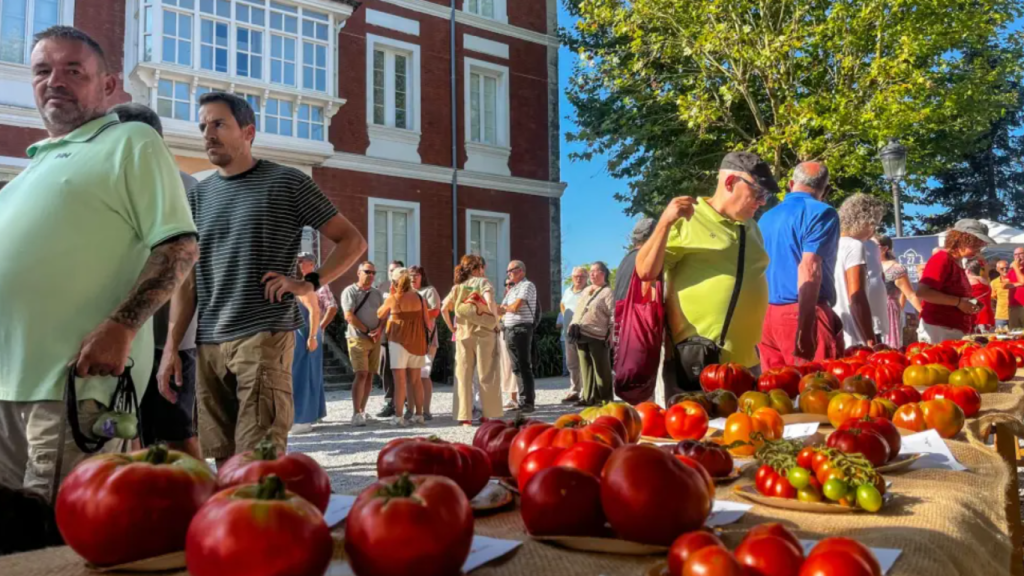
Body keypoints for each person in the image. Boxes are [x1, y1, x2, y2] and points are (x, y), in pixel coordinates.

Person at [0, 26, 198, 494]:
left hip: (74, 384)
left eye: (73, 70)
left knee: (59, 538)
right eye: (43, 71)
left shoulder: (130, 140)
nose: (55, 80)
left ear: (108, 85)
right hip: (7, 385)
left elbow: (179, 246)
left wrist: (123, 327)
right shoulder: (33, 169)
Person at [159, 91, 365, 465]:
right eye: (203, 126)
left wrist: (310, 283)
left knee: (258, 460)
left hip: (264, 335)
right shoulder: (199, 197)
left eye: (219, 124)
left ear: (248, 131)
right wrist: (172, 348)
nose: (208, 134)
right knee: (222, 460)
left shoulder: (287, 182)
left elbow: (353, 241)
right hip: (209, 342)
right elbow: (186, 280)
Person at [636, 151, 774, 394]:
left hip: (748, 364)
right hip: (698, 362)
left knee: (750, 431)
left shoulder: (752, 227)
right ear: (731, 182)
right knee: (697, 432)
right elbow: (645, 271)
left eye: (767, 195)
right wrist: (665, 222)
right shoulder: (688, 217)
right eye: (759, 193)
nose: (763, 201)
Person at [109, 102, 203, 460]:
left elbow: (189, 271)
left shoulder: (186, 187)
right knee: (127, 432)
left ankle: (199, 506)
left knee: (176, 434)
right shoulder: (116, 182)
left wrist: (174, 347)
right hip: (127, 334)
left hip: (169, 338)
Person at [757, 162, 843, 368]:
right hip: (802, 311)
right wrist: (805, 328)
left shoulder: (765, 218)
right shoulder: (822, 213)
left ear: (790, 184)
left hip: (765, 316)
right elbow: (809, 268)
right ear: (826, 189)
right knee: (819, 390)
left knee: (775, 393)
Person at [442, 255, 503, 425]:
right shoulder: (483, 283)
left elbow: (443, 308)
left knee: (463, 375)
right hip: (483, 333)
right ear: (478, 269)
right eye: (483, 268)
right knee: (487, 374)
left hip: (463, 335)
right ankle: (489, 414)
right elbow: (490, 302)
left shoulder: (457, 287)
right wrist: (496, 322)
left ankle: (464, 416)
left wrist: (451, 328)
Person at [915, 220, 993, 342]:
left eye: (981, 245)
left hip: (950, 328)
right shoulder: (942, 259)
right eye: (975, 245)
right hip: (938, 328)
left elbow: (953, 293)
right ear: (961, 239)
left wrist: (972, 302)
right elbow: (923, 292)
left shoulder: (956, 261)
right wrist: (959, 303)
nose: (978, 250)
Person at [832, 194, 886, 348]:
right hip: (854, 331)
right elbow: (856, 295)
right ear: (868, 223)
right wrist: (870, 337)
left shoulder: (830, 243)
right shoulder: (854, 246)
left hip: (834, 326)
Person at [290, 252, 336, 435]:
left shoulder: (304, 288)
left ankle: (303, 418)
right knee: (302, 375)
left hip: (306, 335)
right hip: (299, 334)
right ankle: (308, 415)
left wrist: (312, 337)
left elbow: (315, 311)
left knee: (304, 375)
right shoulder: (294, 287)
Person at [377, 268, 428, 425]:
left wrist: (391, 295)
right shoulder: (419, 298)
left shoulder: (394, 298)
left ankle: (399, 417)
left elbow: (380, 314)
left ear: (394, 282)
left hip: (398, 341)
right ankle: (419, 414)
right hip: (418, 341)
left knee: (399, 381)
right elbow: (427, 320)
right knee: (416, 380)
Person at [341, 262, 384, 426]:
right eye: (367, 271)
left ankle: (363, 411)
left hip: (375, 338)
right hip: (358, 338)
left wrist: (379, 330)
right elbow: (348, 316)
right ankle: (356, 412)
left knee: (370, 375)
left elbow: (383, 315)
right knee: (361, 373)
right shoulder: (350, 291)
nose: (371, 275)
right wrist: (367, 331)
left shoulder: (377, 293)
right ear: (358, 272)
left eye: (373, 272)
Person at [571, 262, 616, 405]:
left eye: (595, 271)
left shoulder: (607, 292)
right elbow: (578, 309)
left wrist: (611, 333)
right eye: (590, 271)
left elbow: (613, 314)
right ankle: (587, 397)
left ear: (603, 273)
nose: (591, 274)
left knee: (601, 368)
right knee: (585, 367)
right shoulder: (587, 290)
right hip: (580, 333)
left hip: (598, 334)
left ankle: (604, 398)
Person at [501, 260, 539, 413]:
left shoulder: (527, 285)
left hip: (521, 329)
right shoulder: (513, 289)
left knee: (524, 366)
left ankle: (528, 401)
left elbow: (516, 307)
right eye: (507, 271)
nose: (508, 273)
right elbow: (501, 308)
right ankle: (522, 401)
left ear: (521, 270)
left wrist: (505, 308)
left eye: (511, 270)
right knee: (516, 368)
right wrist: (505, 308)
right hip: (509, 330)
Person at [877, 235, 922, 348]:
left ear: (884, 249)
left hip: (888, 310)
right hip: (870, 309)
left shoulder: (895, 268)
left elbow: (910, 294)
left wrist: (924, 313)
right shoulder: (866, 266)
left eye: (873, 246)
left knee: (887, 347)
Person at [376, 260, 406, 418]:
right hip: (385, 334)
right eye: (390, 270)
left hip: (404, 335)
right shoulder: (382, 287)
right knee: (385, 368)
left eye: (395, 270)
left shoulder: (408, 288)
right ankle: (390, 402)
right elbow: (378, 310)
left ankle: (406, 402)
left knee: (404, 370)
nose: (392, 273)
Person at [411, 265, 440, 421]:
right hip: (410, 340)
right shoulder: (407, 293)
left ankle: (426, 410)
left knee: (423, 374)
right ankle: (415, 409)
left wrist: (415, 313)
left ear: (422, 276)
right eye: (410, 275)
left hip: (427, 338)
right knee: (412, 376)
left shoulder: (429, 291)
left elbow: (435, 311)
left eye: (416, 275)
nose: (413, 278)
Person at [559, 266, 589, 403]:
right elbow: (562, 305)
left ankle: (584, 390)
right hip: (568, 333)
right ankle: (574, 389)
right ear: (572, 277)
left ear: (586, 278)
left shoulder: (589, 291)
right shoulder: (567, 291)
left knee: (583, 362)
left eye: (582, 276)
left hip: (584, 332)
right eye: (576, 276)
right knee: (571, 363)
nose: (579, 279)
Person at [614, 219, 656, 303]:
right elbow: (651, 293)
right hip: (638, 314)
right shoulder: (646, 259)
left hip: (621, 314)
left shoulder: (625, 260)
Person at [967, 260, 994, 333]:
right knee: (988, 336)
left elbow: (969, 298)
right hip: (987, 311)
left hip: (977, 312)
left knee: (978, 338)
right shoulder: (984, 279)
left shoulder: (971, 280)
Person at [1005, 248, 1024, 329]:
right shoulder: (1011, 270)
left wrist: (1016, 268)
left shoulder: (1015, 268)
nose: (1018, 256)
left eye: (1020, 253)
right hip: (1013, 305)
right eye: (1015, 254)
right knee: (1014, 333)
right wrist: (1019, 283)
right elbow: (1004, 285)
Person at [992, 260, 1012, 330]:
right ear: (997, 269)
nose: (1005, 270)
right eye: (1002, 268)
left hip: (1015, 315)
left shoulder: (1015, 280)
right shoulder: (994, 283)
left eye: (1007, 268)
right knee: (1001, 338)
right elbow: (993, 299)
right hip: (1001, 316)